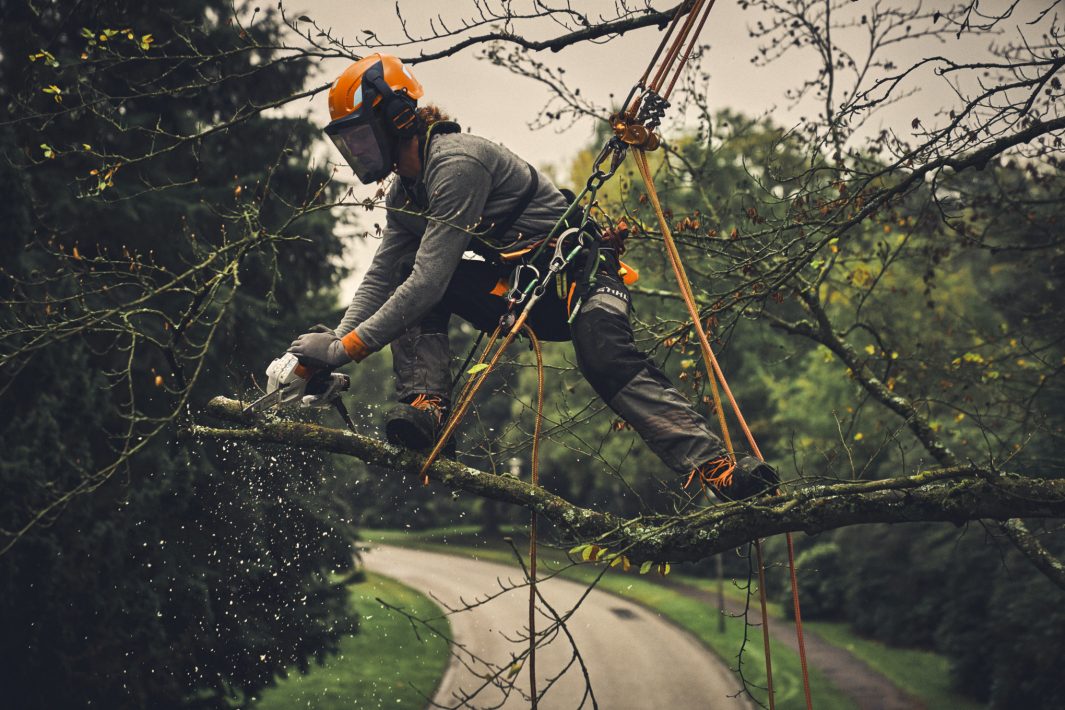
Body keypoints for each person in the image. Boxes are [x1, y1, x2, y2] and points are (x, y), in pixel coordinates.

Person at [284, 53, 777, 501]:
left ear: (396, 118)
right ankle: (427, 408)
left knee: (603, 355)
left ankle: (718, 467)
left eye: (361, 135)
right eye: (349, 140)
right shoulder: (404, 196)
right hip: (520, 292)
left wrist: (345, 349)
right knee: (404, 280)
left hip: (581, 277)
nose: (358, 151)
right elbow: (382, 275)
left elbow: (429, 281)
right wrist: (333, 343)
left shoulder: (456, 164)